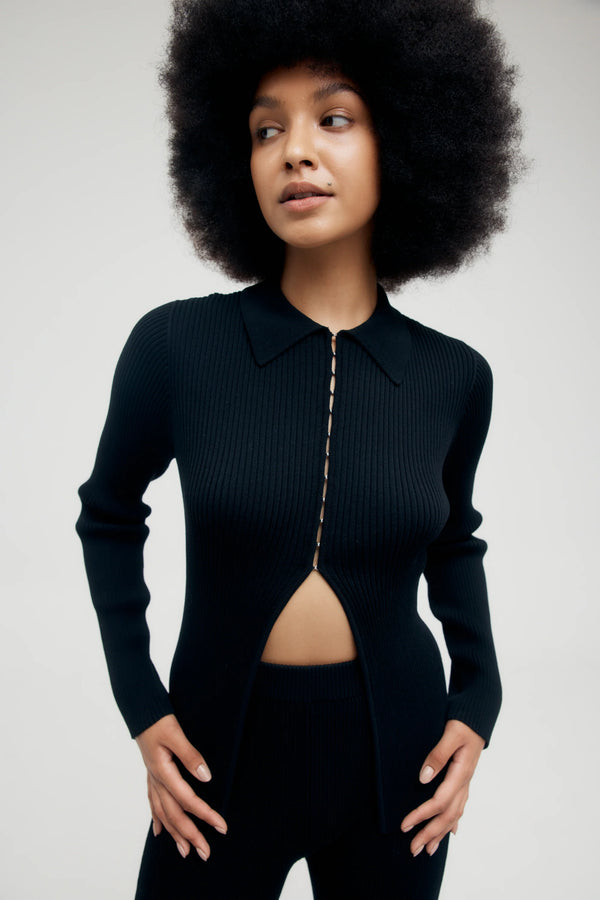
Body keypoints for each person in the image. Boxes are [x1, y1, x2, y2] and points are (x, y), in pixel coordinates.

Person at [75, 0, 524, 896]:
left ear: (407, 140)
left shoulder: (454, 376)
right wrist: (142, 705)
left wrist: (479, 701)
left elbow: (453, 541)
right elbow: (109, 515)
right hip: (215, 763)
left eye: (334, 118)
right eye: (265, 129)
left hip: (397, 767)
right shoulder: (177, 347)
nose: (294, 151)